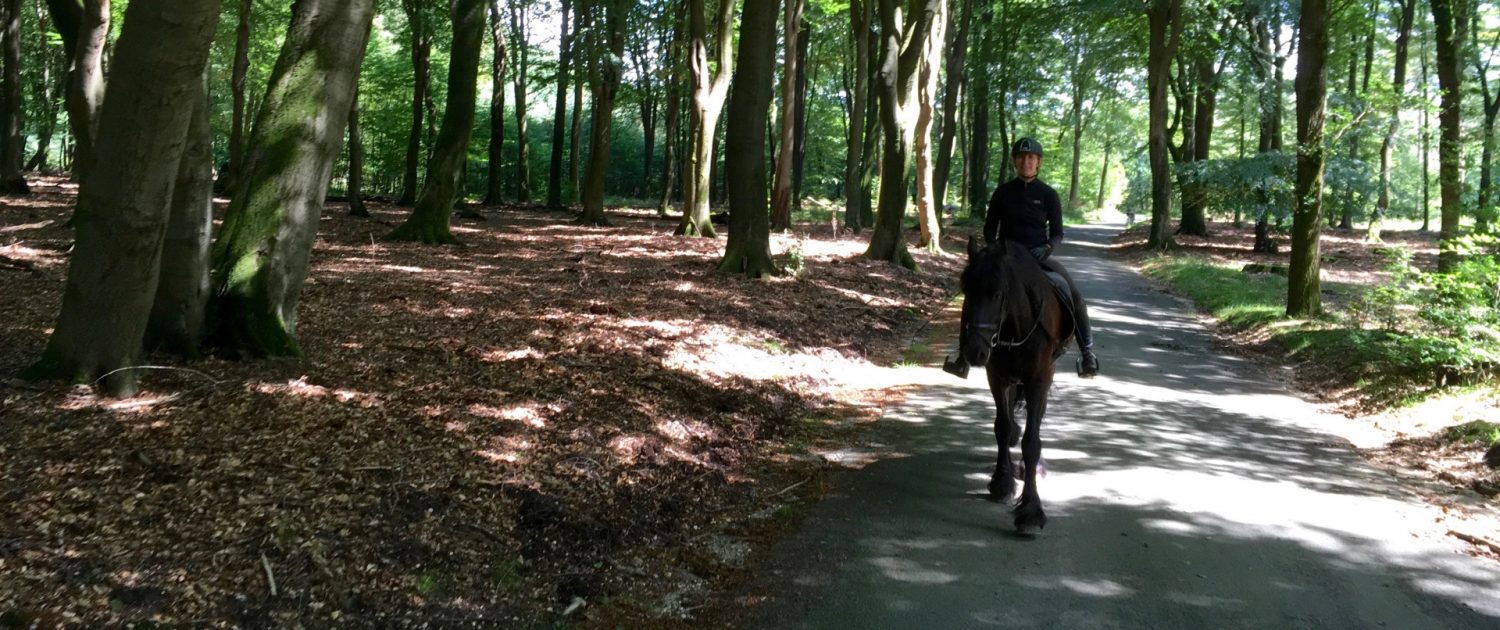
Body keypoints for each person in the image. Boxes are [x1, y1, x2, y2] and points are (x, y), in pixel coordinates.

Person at [945, 137, 1100, 378]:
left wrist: (1048, 246)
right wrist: (996, 248)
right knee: (976, 295)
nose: (1026, 162)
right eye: (1021, 158)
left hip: (1038, 258)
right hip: (1006, 260)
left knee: (1071, 291)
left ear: (1038, 162)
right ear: (1015, 162)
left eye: (1031, 158)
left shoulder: (1048, 195)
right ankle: (962, 357)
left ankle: (1087, 353)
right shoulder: (1002, 193)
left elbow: (1058, 232)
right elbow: (989, 229)